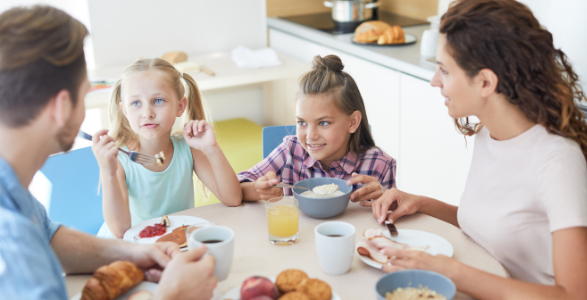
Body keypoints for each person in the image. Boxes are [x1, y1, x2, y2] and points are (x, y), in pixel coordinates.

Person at [369, 0, 587, 299]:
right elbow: (490, 226)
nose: (434, 81)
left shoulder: (556, 160)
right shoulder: (488, 134)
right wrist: (422, 203)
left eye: (444, 70)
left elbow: (578, 295)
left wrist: (448, 271)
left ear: (485, 82)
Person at [0, 6, 217, 299]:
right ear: (63, 106)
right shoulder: (10, 238)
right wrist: (171, 295)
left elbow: (49, 236)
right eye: (85, 92)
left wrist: (136, 253)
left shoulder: (12, 193)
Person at [94, 58, 242, 238]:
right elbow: (120, 231)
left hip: (174, 241)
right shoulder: (119, 160)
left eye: (158, 100)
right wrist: (107, 171)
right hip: (127, 247)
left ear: (180, 106)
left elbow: (233, 198)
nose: (147, 112)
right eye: (136, 103)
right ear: (125, 111)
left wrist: (211, 148)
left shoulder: (188, 148)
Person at [238, 55, 397, 202]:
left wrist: (384, 198)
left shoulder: (379, 164)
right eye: (302, 123)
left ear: (353, 122)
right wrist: (258, 190)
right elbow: (237, 188)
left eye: (323, 123)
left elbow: (392, 219)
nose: (310, 136)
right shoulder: (290, 151)